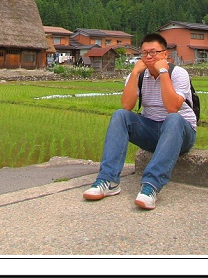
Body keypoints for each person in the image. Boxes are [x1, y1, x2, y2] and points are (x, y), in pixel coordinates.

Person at [83, 33, 197, 210]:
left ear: (165, 54)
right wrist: (135, 72)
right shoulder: (139, 75)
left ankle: (151, 186)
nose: (149, 57)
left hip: (181, 133)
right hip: (151, 130)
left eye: (154, 52)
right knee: (120, 115)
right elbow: (127, 105)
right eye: (145, 53)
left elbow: (172, 107)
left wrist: (163, 71)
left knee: (173, 118)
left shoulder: (179, 74)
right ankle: (108, 180)